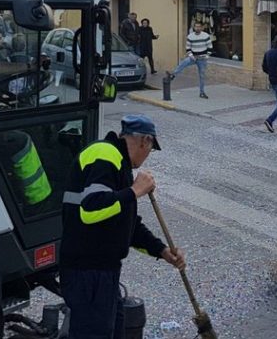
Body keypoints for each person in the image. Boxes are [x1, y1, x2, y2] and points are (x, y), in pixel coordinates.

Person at [61, 115, 186, 338]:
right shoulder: (105, 154)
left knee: (115, 331)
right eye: (151, 149)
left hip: (103, 273)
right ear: (145, 141)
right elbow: (91, 209)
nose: (148, 155)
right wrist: (135, 191)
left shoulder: (119, 163)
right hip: (88, 272)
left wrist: (162, 251)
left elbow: (128, 225)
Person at [167, 21, 213, 99]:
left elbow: (210, 47)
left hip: (202, 58)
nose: (197, 28)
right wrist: (191, 56)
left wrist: (207, 55)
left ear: (202, 27)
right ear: (194, 27)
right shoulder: (190, 36)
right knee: (183, 63)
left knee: (202, 75)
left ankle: (202, 92)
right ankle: (173, 75)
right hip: (193, 57)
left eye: (199, 27)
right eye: (196, 26)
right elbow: (188, 48)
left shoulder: (206, 36)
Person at [262, 35, 277, 133]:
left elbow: (264, 67)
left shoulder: (268, 53)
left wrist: (271, 73)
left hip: (272, 80)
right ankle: (270, 120)